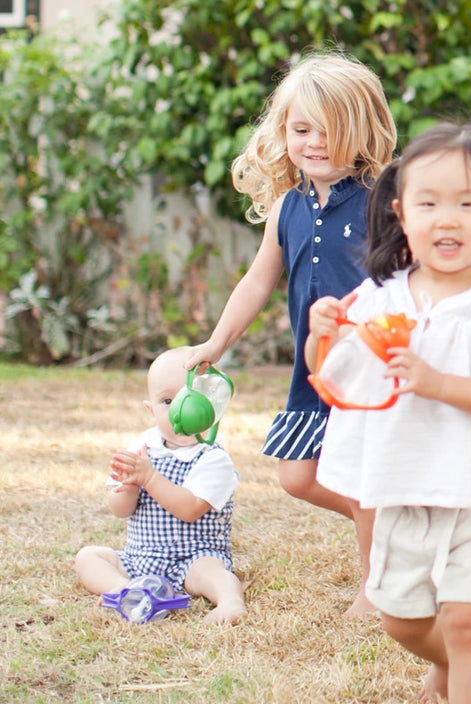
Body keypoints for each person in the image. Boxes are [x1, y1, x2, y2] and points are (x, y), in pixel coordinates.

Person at [308, 122, 471, 704]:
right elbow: (335, 375)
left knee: (466, 622)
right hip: (406, 484)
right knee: (401, 620)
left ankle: (466, 657)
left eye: (468, 202)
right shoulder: (378, 296)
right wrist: (321, 335)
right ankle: (452, 663)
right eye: (429, 202)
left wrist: (437, 383)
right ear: (400, 213)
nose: (448, 218)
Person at [183, 53, 397, 617]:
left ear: (364, 131)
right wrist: (216, 343)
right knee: (297, 476)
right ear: (284, 132)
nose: (316, 141)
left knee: (364, 473)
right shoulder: (286, 208)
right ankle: (389, 518)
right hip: (314, 369)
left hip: (370, 371)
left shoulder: (383, 203)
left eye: (332, 129)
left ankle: (375, 587)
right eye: (302, 129)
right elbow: (257, 282)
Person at [73, 347, 246, 624]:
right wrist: (127, 488)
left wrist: (150, 478)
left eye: (193, 398)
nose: (182, 408)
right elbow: (120, 510)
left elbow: (190, 509)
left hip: (193, 558)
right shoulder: (142, 448)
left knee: (215, 574)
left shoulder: (213, 458)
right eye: (168, 400)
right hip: (139, 559)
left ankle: (230, 602)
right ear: (150, 411)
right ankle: (126, 592)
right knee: (88, 557)